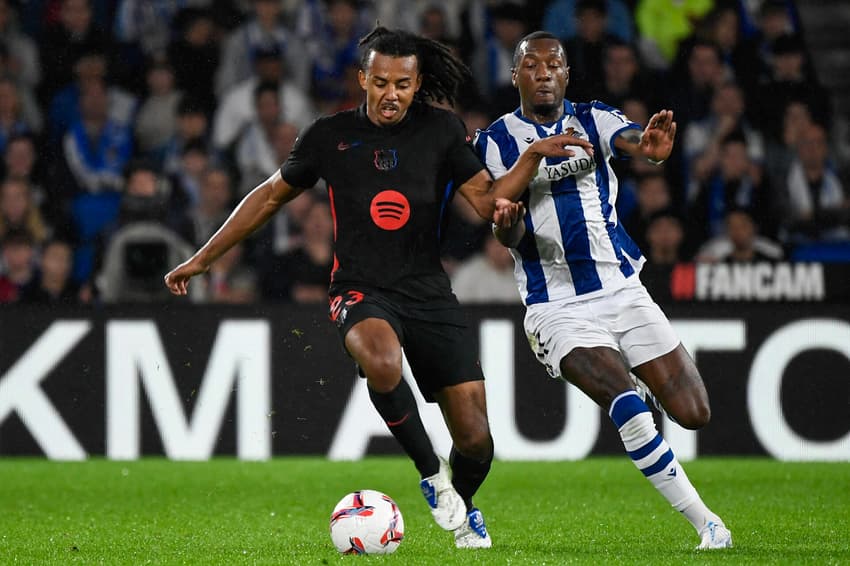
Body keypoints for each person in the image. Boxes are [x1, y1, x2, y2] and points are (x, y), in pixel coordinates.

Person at [164, 26, 590, 549]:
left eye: (404, 84)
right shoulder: (328, 136)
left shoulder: (441, 131)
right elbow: (270, 197)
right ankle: (431, 473)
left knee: (477, 441)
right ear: (363, 78)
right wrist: (204, 258)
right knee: (382, 360)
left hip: (429, 292)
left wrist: (527, 164)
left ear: (417, 84)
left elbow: (485, 202)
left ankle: (465, 505)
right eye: (382, 82)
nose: (392, 94)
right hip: (360, 288)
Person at [476, 31, 733, 550]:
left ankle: (637, 394)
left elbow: (633, 140)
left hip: (621, 288)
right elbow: (501, 219)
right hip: (557, 305)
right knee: (627, 406)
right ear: (516, 76)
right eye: (532, 65)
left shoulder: (593, 117)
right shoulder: (496, 140)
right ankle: (708, 523)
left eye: (554, 64)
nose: (544, 72)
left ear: (567, 74)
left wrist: (651, 149)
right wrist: (510, 219)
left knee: (693, 412)